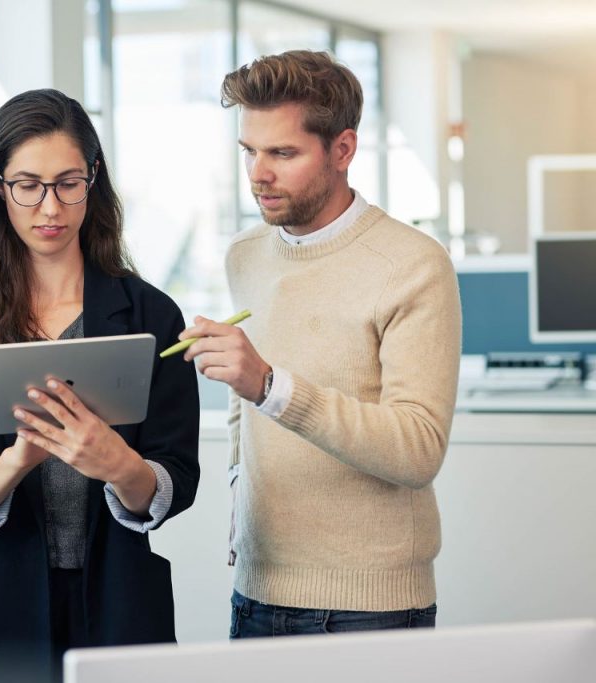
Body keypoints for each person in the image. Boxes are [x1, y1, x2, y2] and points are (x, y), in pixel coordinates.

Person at [0, 88, 200, 683]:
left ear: (94, 179)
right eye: (28, 185)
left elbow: (178, 476)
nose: (50, 207)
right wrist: (16, 463)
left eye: (69, 182)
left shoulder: (151, 315)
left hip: (119, 607)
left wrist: (118, 463)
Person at [178, 50, 461, 637]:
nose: (259, 173)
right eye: (249, 151)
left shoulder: (413, 265)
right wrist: (240, 494)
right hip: (255, 594)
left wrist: (270, 385)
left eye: (282, 153)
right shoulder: (246, 255)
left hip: (372, 609)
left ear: (343, 150)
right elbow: (242, 409)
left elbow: (417, 448)